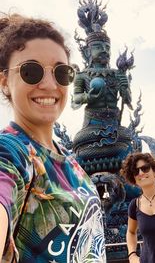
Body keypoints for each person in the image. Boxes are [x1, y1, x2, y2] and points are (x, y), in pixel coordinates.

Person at [0, 13, 106, 262]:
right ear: (4, 81)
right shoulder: (11, 152)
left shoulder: (70, 160)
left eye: (61, 73)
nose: (49, 85)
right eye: (31, 71)